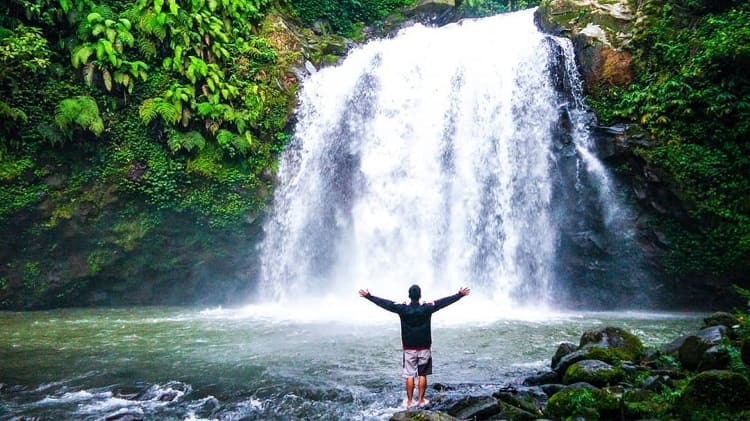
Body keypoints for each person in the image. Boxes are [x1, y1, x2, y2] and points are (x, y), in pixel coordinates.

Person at [359, 284, 471, 408]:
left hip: (409, 348)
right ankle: (421, 400)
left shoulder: (402, 309)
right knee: (422, 374)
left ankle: (409, 401)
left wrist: (369, 296)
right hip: (424, 347)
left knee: (409, 375)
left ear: (409, 296)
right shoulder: (427, 308)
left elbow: (386, 304)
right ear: (420, 296)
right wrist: (459, 295)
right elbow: (443, 302)